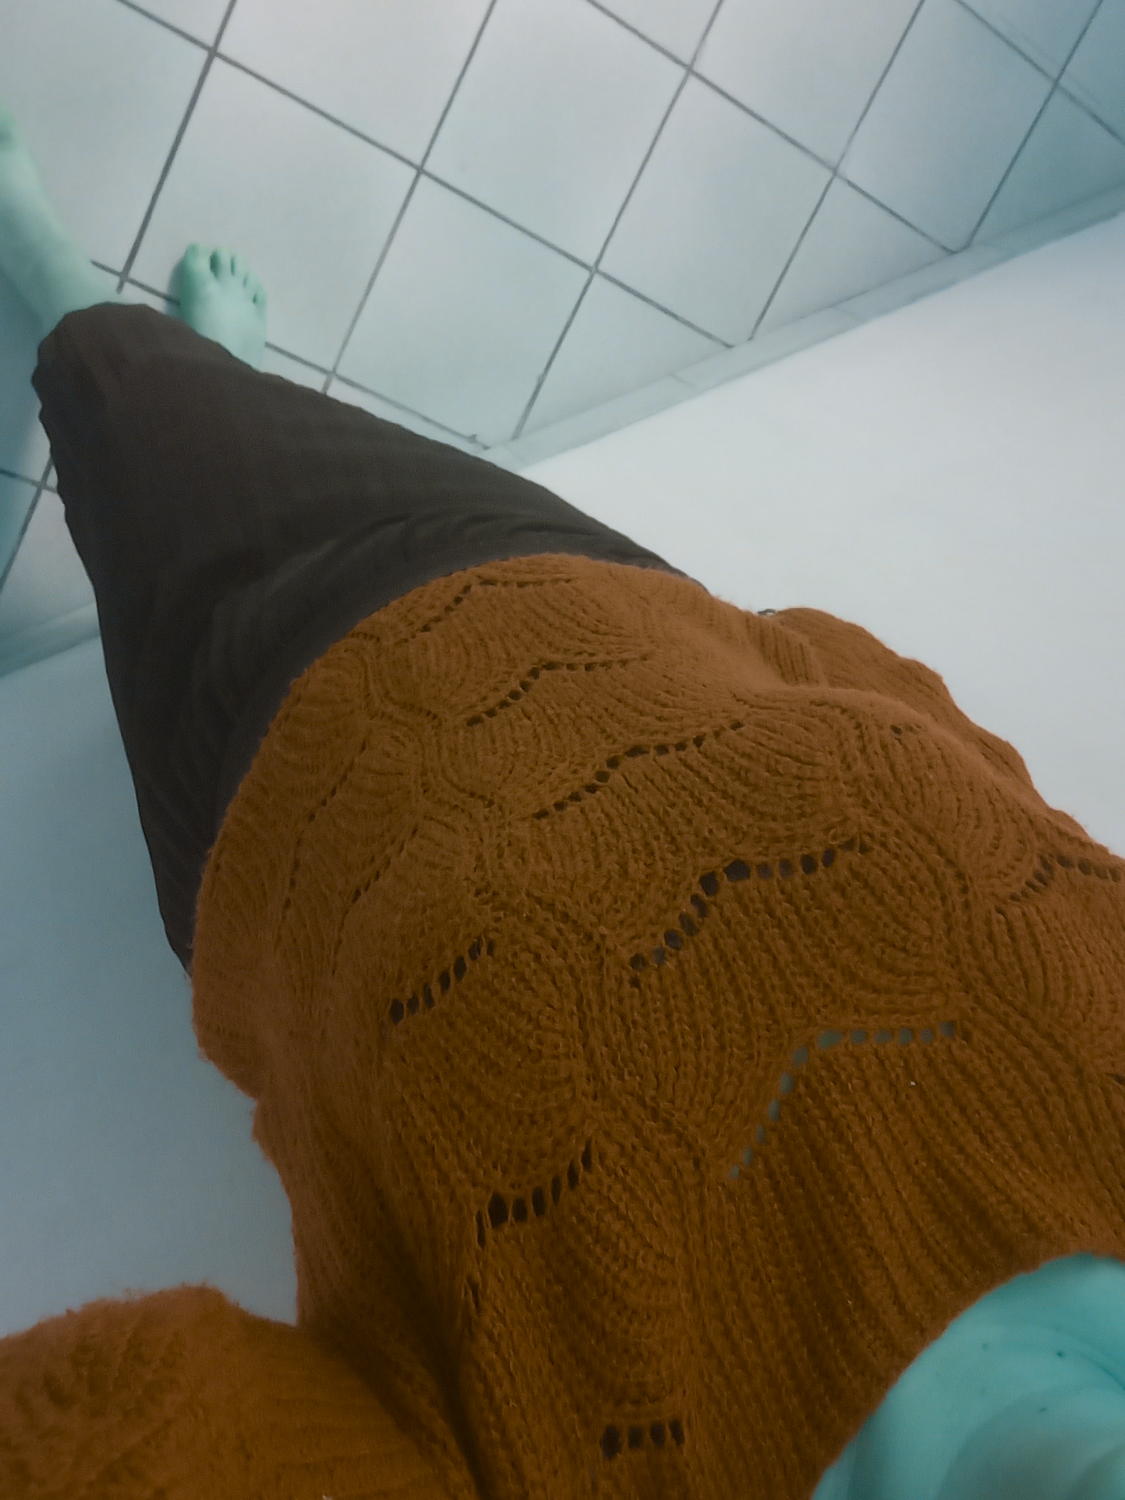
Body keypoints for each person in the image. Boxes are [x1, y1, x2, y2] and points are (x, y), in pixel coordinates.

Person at [3, 97, 1125, 1500]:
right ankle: (221, 374)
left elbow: (131, 1433)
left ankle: (57, 282)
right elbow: (967, 769)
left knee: (123, 417)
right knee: (239, 425)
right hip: (591, 594)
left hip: (281, 745)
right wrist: (763, 650)